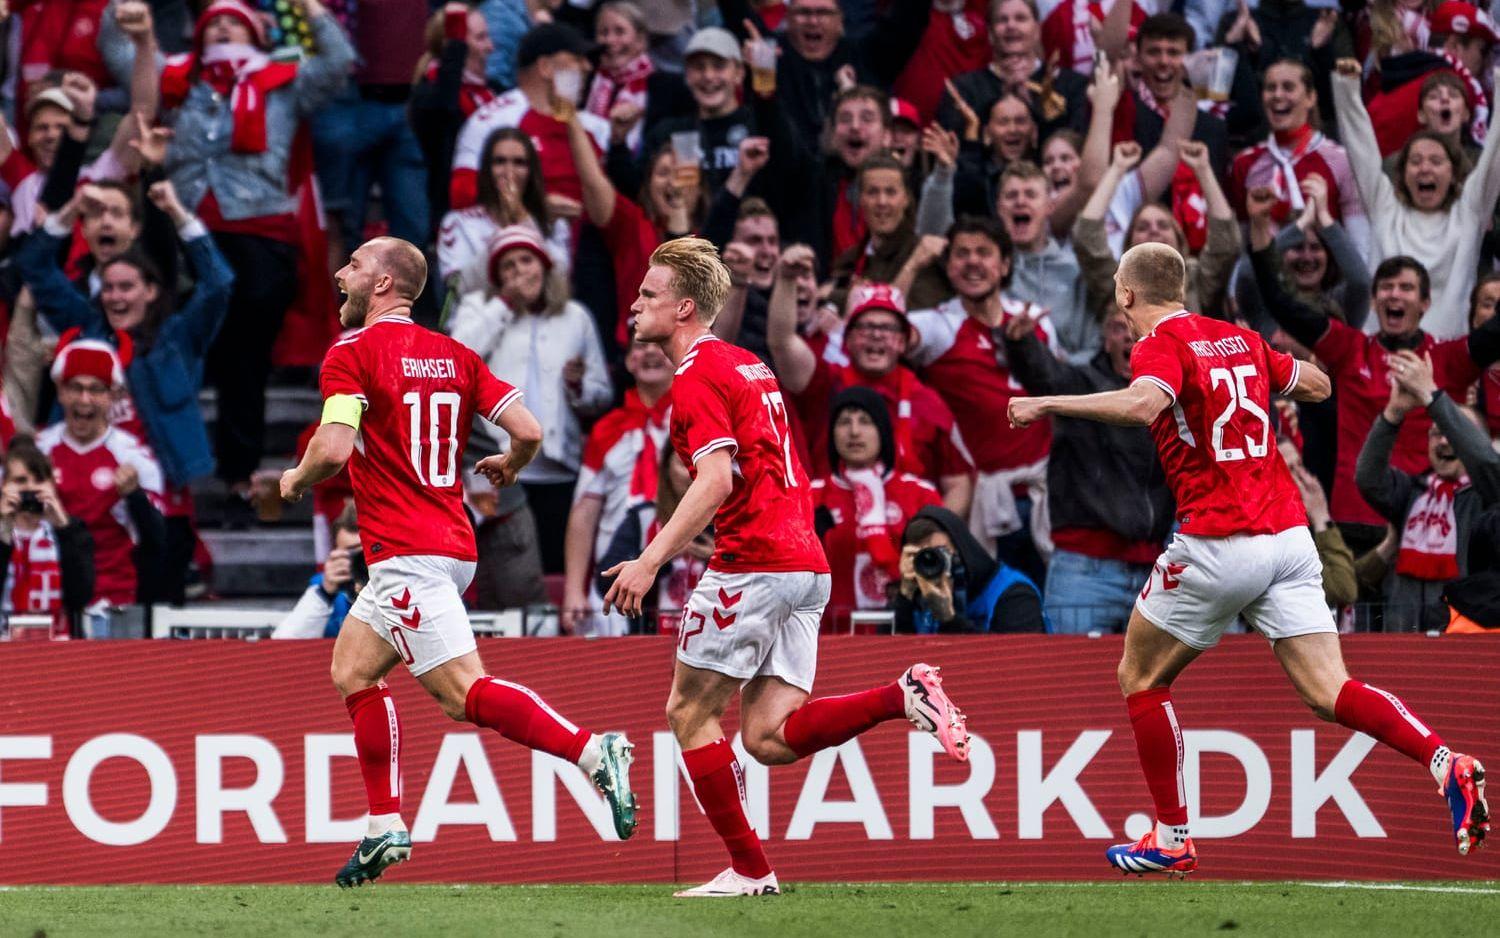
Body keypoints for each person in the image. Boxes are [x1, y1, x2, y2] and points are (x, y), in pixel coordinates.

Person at [1007, 241, 1490, 873]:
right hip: (1288, 539)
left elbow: (1143, 404)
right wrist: (1267, 375)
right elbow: (1318, 385)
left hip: (1217, 540)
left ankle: (1172, 837)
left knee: (1141, 677)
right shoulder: (1234, 337)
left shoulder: (1160, 345)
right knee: (1329, 690)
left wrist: (1045, 404)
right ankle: (1443, 761)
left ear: (1126, 295)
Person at [601, 237, 968, 897]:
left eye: (648, 295)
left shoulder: (695, 379)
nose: (634, 304)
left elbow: (713, 480)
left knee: (687, 713)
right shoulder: (748, 365)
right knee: (768, 737)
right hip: (806, 563)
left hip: (756, 561)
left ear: (684, 307)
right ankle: (902, 693)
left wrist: (650, 560)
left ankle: (750, 871)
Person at [279, 236, 637, 888]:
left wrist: (295, 479)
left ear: (384, 283)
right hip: (449, 545)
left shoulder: (351, 354)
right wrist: (510, 467)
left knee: (464, 695)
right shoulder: (456, 355)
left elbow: (332, 450)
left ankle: (592, 751)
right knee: (353, 668)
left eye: (355, 265)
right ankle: (384, 822)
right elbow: (528, 430)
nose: (341, 272)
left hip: (408, 554)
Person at [1249, 191, 1500, 551]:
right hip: (1353, 524)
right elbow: (1283, 305)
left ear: (1425, 303)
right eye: (1386, 287)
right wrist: (1259, 226)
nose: (1394, 295)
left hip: (1428, 522)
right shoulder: (1350, 348)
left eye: (1406, 288)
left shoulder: (1450, 358)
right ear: (1373, 300)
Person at [446, 226, 612, 573]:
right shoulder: (480, 306)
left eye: (526, 260)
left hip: (559, 470)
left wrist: (579, 388)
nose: (519, 271)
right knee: (505, 567)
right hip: (497, 465)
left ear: (545, 266)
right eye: (508, 266)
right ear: (496, 277)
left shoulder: (575, 317)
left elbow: (601, 394)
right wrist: (505, 304)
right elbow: (455, 360)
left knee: (554, 568)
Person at [906, 217, 1060, 582]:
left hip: (1045, 495)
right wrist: (913, 264)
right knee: (992, 618)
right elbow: (880, 327)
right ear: (948, 267)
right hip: (982, 501)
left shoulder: (1036, 321)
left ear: (1004, 264)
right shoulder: (938, 326)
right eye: (961, 254)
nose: (973, 262)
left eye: (983, 253)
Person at [1004, 307, 1174, 634]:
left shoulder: (1173, 397)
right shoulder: (1082, 385)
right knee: (1069, 681)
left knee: (1153, 684)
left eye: (1137, 328)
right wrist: (1022, 343)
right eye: (1117, 328)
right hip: (1083, 572)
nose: (1128, 335)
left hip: (1156, 573)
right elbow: (1046, 376)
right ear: (1104, 340)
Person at [768, 269, 974, 513]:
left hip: (906, 537)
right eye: (866, 326)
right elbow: (781, 342)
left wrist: (932, 536)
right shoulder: (823, 383)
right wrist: (787, 277)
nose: (876, 335)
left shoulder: (928, 402)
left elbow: (959, 482)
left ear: (903, 341)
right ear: (848, 338)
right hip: (829, 534)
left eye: (887, 328)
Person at [1334, 56, 1500, 339]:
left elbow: (1495, 153)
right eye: (1416, 161)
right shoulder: (1385, 207)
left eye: (1436, 161)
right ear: (1402, 171)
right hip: (1380, 356)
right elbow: (1361, 149)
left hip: (1446, 359)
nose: (1425, 168)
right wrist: (1347, 89)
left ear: (1453, 173)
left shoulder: (1469, 212)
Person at [1357, 350, 1500, 631]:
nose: (1444, 442)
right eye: (1435, 433)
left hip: (1463, 632)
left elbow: (1485, 463)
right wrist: (1393, 414)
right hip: (1403, 636)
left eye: (1452, 433)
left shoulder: (1488, 497)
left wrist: (1432, 397)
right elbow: (1368, 479)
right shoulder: (1414, 492)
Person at [37, 339, 166, 613]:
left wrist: (135, 496)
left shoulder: (134, 457)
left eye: (96, 389)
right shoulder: (39, 452)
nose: (85, 400)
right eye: (75, 387)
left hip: (115, 598)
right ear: (60, 391)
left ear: (114, 395)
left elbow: (159, 538)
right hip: (49, 597)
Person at [562, 337, 675, 635]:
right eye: (639, 346)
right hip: (616, 572)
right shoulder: (606, 428)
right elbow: (584, 515)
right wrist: (574, 590)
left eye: (660, 345)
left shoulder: (696, 419)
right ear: (628, 361)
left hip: (682, 569)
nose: (650, 350)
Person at [810, 388, 943, 628]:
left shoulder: (920, 495)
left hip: (906, 633)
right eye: (844, 422)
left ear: (883, 431)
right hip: (830, 637)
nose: (854, 432)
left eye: (866, 421)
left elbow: (939, 573)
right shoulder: (811, 495)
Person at [894, 505, 1045, 633]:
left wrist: (948, 619)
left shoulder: (1014, 594)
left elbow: (1009, 661)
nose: (931, 562)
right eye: (922, 556)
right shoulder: (919, 594)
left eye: (940, 552)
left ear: (962, 549)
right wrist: (905, 596)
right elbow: (896, 656)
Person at [0, 437, 96, 637]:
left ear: (52, 484)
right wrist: (3, 527)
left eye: (39, 480)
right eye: (20, 480)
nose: (31, 488)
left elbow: (82, 594)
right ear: (4, 485)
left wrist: (63, 526)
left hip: (59, 645)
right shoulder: (2, 533)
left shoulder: (72, 531)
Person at [272, 505, 364, 639]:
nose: (363, 562)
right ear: (336, 554)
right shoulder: (328, 587)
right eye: (353, 554)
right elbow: (286, 641)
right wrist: (324, 594)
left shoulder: (401, 582)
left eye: (368, 552)